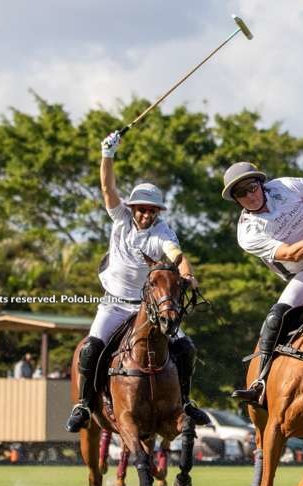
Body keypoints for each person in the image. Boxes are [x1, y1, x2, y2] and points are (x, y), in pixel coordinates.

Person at [65, 130, 209, 432]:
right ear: (133, 208)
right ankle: (84, 404)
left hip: (148, 310)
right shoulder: (120, 217)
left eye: (151, 210)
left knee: (186, 348)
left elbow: (176, 255)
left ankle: (185, 401)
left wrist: (187, 274)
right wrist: (107, 155)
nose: (146, 215)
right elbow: (107, 188)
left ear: (157, 212)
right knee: (91, 348)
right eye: (142, 209)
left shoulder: (163, 232)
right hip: (114, 305)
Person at [224, 162, 303, 402]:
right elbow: (292, 254)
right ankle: (260, 380)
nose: (250, 196)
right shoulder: (247, 232)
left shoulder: (285, 186)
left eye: (252, 187)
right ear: (236, 200)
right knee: (276, 316)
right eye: (241, 193)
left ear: (260, 184)